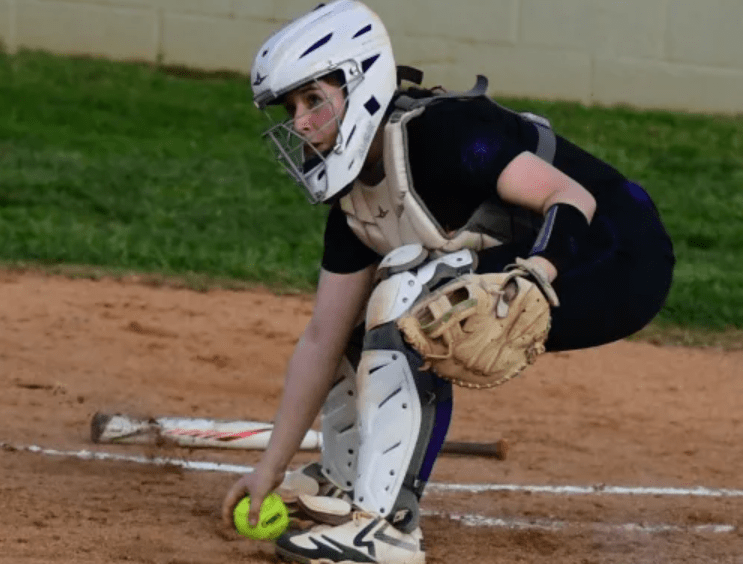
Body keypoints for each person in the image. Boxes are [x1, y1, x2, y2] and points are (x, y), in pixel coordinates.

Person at [221, 1, 675, 563]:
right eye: (292, 107)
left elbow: (572, 198)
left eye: (314, 99)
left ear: (362, 83)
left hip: (617, 257)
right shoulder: (357, 201)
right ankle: (343, 484)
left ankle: (387, 528)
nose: (301, 123)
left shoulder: (449, 135)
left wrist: (535, 275)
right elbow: (322, 338)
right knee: (363, 316)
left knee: (410, 295)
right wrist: (269, 468)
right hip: (545, 262)